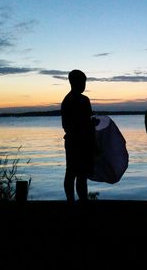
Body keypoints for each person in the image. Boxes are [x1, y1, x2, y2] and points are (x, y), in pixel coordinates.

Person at [61, 69, 95, 203]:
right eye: (83, 82)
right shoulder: (83, 100)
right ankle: (82, 200)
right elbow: (87, 123)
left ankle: (71, 200)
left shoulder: (66, 100)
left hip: (71, 141)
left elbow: (67, 125)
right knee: (80, 174)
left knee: (71, 172)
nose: (84, 85)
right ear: (75, 82)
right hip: (81, 142)